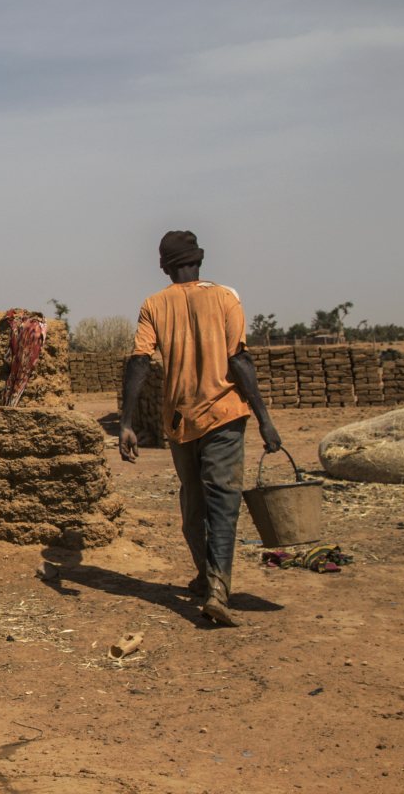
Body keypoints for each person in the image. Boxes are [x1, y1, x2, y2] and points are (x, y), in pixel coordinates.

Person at [117, 230, 280, 627]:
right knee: (223, 502)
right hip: (225, 415)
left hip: (179, 420)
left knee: (193, 503)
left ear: (164, 266)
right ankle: (218, 588)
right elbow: (239, 361)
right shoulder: (226, 297)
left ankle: (208, 578)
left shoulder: (154, 304)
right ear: (200, 260)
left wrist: (126, 422)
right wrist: (264, 418)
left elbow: (139, 362)